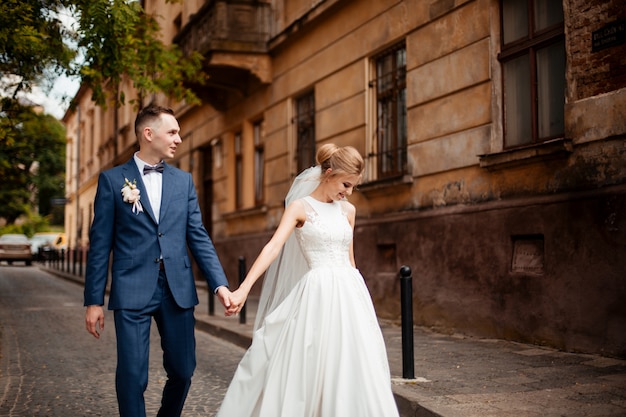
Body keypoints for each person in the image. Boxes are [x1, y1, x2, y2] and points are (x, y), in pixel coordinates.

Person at [218, 144, 400, 416]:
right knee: (307, 362)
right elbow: (273, 247)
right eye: (346, 184)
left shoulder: (348, 211)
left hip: (350, 295)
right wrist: (243, 290)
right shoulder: (299, 207)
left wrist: (361, 301)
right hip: (316, 294)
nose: (348, 192)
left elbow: (350, 259)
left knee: (353, 364)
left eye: (353, 187)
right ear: (328, 173)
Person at [84, 105, 236, 417]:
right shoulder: (113, 181)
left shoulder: (184, 181)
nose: (179, 139)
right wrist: (93, 300)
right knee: (133, 374)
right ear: (148, 134)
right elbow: (99, 244)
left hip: (177, 289)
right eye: (173, 132)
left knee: (183, 370)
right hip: (131, 287)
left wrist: (220, 284)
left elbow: (198, 236)